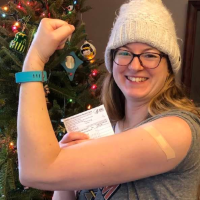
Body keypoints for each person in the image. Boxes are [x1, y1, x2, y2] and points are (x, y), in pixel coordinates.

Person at [17, 0, 200, 199]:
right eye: (124, 53)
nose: (135, 66)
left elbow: (35, 171)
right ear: (112, 62)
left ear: (169, 67)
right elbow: (51, 178)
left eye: (150, 55)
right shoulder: (105, 130)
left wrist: (35, 60)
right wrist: (64, 173)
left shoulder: (178, 131)